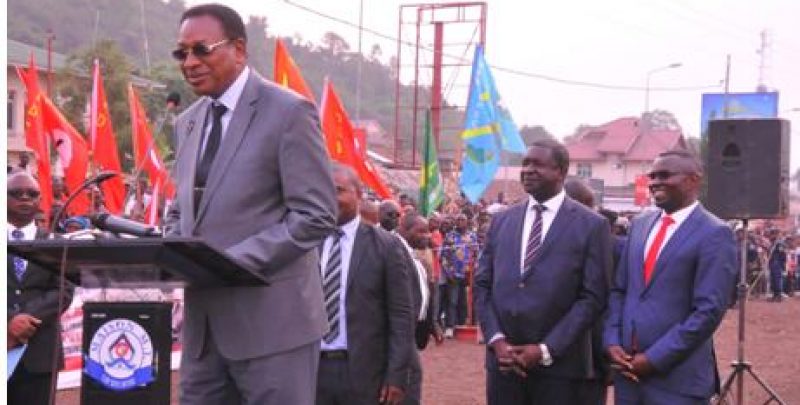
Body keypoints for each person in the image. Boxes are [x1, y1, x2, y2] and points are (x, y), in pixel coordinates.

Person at [163, 4, 337, 404]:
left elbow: (315, 215)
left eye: (201, 50)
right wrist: (173, 249)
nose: (190, 63)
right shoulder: (187, 122)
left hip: (273, 329)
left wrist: (231, 262)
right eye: (181, 53)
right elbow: (181, 208)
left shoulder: (289, 112)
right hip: (203, 333)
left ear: (239, 50)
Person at [474, 139, 612, 405]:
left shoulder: (592, 226)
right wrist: (496, 339)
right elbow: (482, 285)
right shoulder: (502, 221)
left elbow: (593, 297)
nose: (528, 170)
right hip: (504, 366)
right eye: (525, 164)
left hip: (560, 371)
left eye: (538, 164)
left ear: (561, 171)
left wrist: (545, 349)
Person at [604, 150, 738, 404]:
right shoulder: (640, 225)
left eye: (665, 175)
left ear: (694, 180)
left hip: (677, 381)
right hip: (627, 375)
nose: (655, 182)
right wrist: (612, 341)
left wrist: (654, 359)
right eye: (652, 176)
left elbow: (708, 311)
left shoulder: (715, 233)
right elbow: (620, 289)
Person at [315, 164, 414, 405]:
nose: (330, 197)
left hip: (364, 372)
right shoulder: (306, 242)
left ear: (359, 195)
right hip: (311, 370)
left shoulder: (387, 246)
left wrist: (396, 375)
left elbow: (401, 315)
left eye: (338, 190)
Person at [8, 172, 75, 405]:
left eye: (32, 193)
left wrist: (25, 319)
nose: (25, 198)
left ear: (40, 200)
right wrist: (8, 321)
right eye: (16, 193)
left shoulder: (56, 244)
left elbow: (64, 290)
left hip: (41, 356)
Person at [397, 213, 444, 405]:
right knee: (409, 380)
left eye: (428, 231)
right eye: (421, 231)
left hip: (413, 331)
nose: (427, 236)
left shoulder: (414, 256)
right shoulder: (395, 254)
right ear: (404, 230)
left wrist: (432, 323)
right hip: (400, 333)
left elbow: (424, 293)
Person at [441, 213, 478, 337]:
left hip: (468, 274)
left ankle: (462, 324)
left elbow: (477, 254)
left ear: (467, 222)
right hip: (454, 274)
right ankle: (450, 327)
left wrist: (475, 269)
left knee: (465, 301)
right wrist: (448, 272)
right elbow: (443, 256)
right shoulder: (450, 236)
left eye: (463, 220)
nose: (460, 222)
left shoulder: (472, 236)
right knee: (452, 301)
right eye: (458, 220)